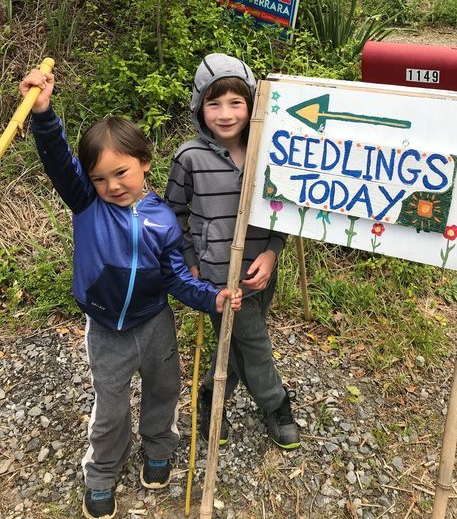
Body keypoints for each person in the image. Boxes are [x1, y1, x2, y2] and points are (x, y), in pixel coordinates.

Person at [19, 68, 242, 519]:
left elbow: (177, 276)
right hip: (106, 328)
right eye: (100, 178)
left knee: (164, 390)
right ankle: (101, 471)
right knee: (111, 406)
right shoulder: (87, 203)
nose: (112, 186)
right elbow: (59, 160)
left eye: (120, 173)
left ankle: (158, 447)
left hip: (156, 321)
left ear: (144, 162)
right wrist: (42, 112)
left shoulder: (162, 217)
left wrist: (211, 298)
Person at [164, 53, 300, 451]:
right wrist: (191, 265)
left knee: (240, 344)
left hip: (260, 270)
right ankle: (276, 404)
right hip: (216, 279)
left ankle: (209, 395)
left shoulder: (269, 151)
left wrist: (273, 252)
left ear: (252, 104)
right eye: (214, 102)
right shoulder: (189, 157)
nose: (225, 113)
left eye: (236, 102)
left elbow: (284, 209)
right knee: (254, 344)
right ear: (198, 106)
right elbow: (175, 214)